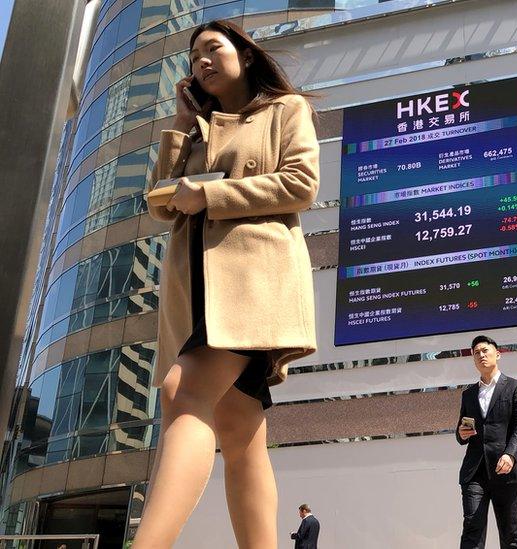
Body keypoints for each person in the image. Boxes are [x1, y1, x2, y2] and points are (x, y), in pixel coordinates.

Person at [133, 19, 319, 548]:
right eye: (194, 58)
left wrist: (212, 196)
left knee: (183, 391)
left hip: (252, 281)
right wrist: (182, 125)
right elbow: (161, 205)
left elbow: (301, 184)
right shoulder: (197, 130)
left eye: (213, 49)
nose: (202, 61)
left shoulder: (285, 110)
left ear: (246, 53)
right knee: (239, 433)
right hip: (195, 291)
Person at [456, 335, 517, 548]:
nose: (481, 355)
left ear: (497, 354)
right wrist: (461, 433)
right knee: (472, 529)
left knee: (509, 533)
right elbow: (461, 430)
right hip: (474, 472)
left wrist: (510, 454)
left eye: (485, 350)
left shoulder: (515, 387)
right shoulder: (468, 394)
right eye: (476, 353)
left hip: (505, 469)